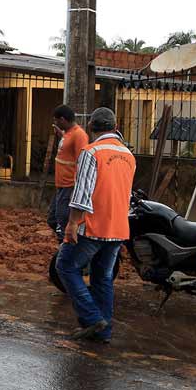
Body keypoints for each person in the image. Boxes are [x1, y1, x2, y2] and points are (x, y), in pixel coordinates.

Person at [57, 107, 136, 343]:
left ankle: (92, 318)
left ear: (91, 127)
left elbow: (82, 193)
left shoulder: (91, 152)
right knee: (102, 277)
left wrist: (72, 223)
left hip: (93, 226)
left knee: (66, 266)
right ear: (116, 127)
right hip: (118, 227)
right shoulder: (129, 156)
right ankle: (103, 332)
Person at [48, 104, 89, 241]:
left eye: (56, 120)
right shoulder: (68, 133)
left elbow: (82, 161)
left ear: (63, 119)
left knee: (62, 220)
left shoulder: (79, 135)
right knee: (53, 219)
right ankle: (65, 243)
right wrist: (61, 135)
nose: (55, 123)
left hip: (69, 186)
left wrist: (76, 188)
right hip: (61, 186)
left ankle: (66, 245)